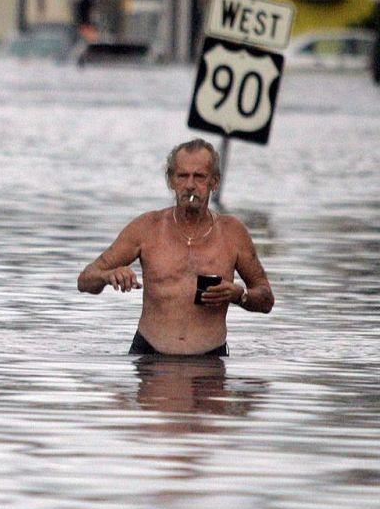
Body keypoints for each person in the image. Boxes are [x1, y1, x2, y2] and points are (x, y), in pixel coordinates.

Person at [77, 138, 274, 356]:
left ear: (214, 182)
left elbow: (266, 299)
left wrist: (239, 295)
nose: (190, 184)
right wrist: (109, 276)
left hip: (209, 361)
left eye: (199, 177)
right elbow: (85, 280)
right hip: (149, 356)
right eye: (182, 176)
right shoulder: (147, 227)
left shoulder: (232, 232)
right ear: (171, 181)